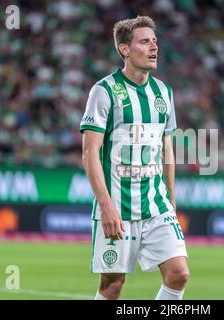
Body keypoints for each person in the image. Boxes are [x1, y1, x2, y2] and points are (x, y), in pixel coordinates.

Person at [80, 16, 189, 300]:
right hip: (118, 206)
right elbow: (89, 153)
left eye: (155, 41)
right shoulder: (104, 91)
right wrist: (106, 207)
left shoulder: (163, 92)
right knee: (113, 286)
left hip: (157, 205)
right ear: (125, 50)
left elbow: (167, 150)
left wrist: (172, 202)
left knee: (179, 273)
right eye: (144, 41)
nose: (154, 47)